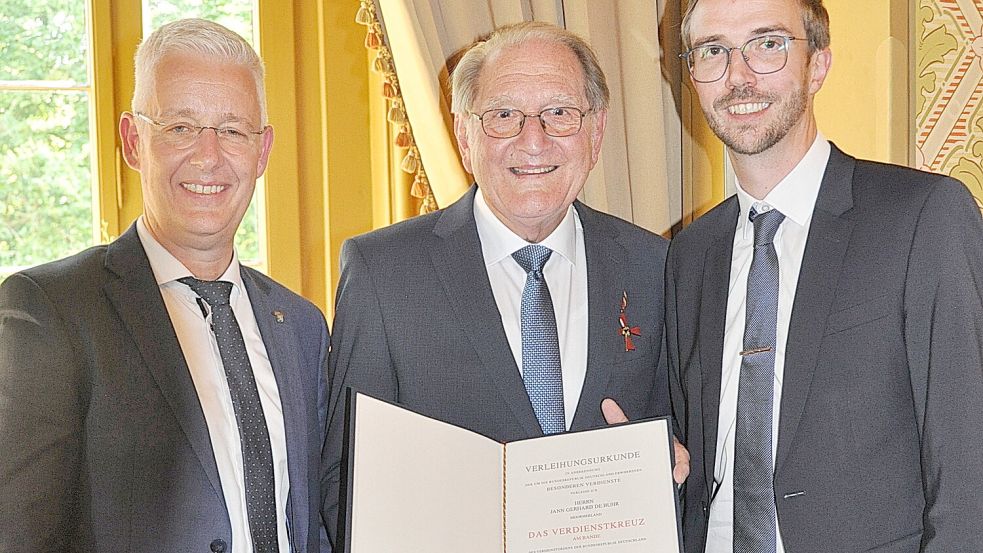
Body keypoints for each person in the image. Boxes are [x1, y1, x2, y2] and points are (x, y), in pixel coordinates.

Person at [321, 21, 671, 543]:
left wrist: (670, 472)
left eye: (559, 113)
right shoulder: (383, 274)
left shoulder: (656, 267)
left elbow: (686, 454)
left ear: (596, 132)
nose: (534, 140)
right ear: (465, 136)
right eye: (504, 115)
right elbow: (342, 485)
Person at [662, 0, 983, 551]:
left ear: (817, 64)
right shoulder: (689, 256)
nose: (738, 76)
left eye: (767, 44)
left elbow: (969, 456)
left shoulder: (922, 217)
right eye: (713, 51)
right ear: (692, 75)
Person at [0, 19, 330, 553]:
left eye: (232, 130)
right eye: (180, 127)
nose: (208, 156)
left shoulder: (302, 326)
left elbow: (313, 527)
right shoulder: (50, 312)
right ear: (134, 141)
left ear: (262, 150)